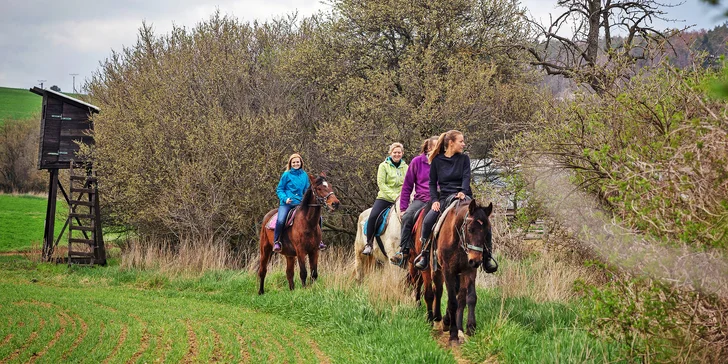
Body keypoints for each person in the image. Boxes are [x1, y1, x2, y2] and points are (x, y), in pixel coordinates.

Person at [414, 130, 472, 270]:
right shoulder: (437, 161)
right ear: (451, 143)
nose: (463, 144)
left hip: (464, 197)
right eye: (461, 141)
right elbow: (432, 183)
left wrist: (463, 192)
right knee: (427, 220)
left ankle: (488, 255)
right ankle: (424, 253)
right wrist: (434, 200)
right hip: (444, 197)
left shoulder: (464, 159)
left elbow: (466, 177)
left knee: (482, 220)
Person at [389, 136, 439, 266]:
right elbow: (407, 187)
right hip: (422, 199)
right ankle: (404, 251)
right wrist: (403, 208)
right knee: (407, 217)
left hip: (440, 199)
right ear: (428, 148)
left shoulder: (443, 161)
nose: (439, 149)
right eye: (436, 146)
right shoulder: (417, 162)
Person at [362, 142, 408, 255]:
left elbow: (408, 184)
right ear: (390, 153)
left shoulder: (406, 167)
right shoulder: (383, 166)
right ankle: (369, 243)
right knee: (373, 216)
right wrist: (394, 196)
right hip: (385, 198)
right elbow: (381, 184)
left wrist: (403, 196)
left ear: (402, 153)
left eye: (399, 152)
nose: (397, 154)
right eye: (395, 152)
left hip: (402, 199)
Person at [273, 153, 326, 252]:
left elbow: (307, 190)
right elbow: (280, 189)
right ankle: (277, 242)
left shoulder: (304, 175)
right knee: (281, 220)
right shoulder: (286, 175)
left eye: (297, 162)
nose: (296, 164)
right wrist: (285, 198)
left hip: (300, 204)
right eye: (293, 162)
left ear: (301, 163)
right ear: (290, 163)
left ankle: (319, 241)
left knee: (319, 218)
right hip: (287, 204)